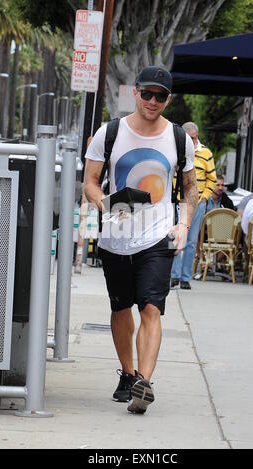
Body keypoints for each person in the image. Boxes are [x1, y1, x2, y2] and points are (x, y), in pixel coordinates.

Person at [83, 66, 198, 414]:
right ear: (135, 92)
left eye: (160, 96)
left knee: (151, 306)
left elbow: (190, 187)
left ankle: (143, 383)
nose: (152, 101)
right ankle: (128, 373)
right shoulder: (110, 132)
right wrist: (106, 205)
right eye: (146, 93)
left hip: (157, 237)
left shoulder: (178, 138)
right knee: (121, 308)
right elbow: (90, 181)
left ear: (168, 99)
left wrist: (184, 224)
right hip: (116, 237)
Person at [171, 122, 216, 290]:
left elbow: (212, 179)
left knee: (190, 242)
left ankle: (184, 277)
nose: (191, 141)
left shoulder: (206, 153)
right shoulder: (176, 151)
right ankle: (174, 275)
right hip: (177, 201)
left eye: (193, 138)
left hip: (197, 202)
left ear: (197, 136)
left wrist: (203, 198)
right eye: (188, 138)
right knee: (175, 238)